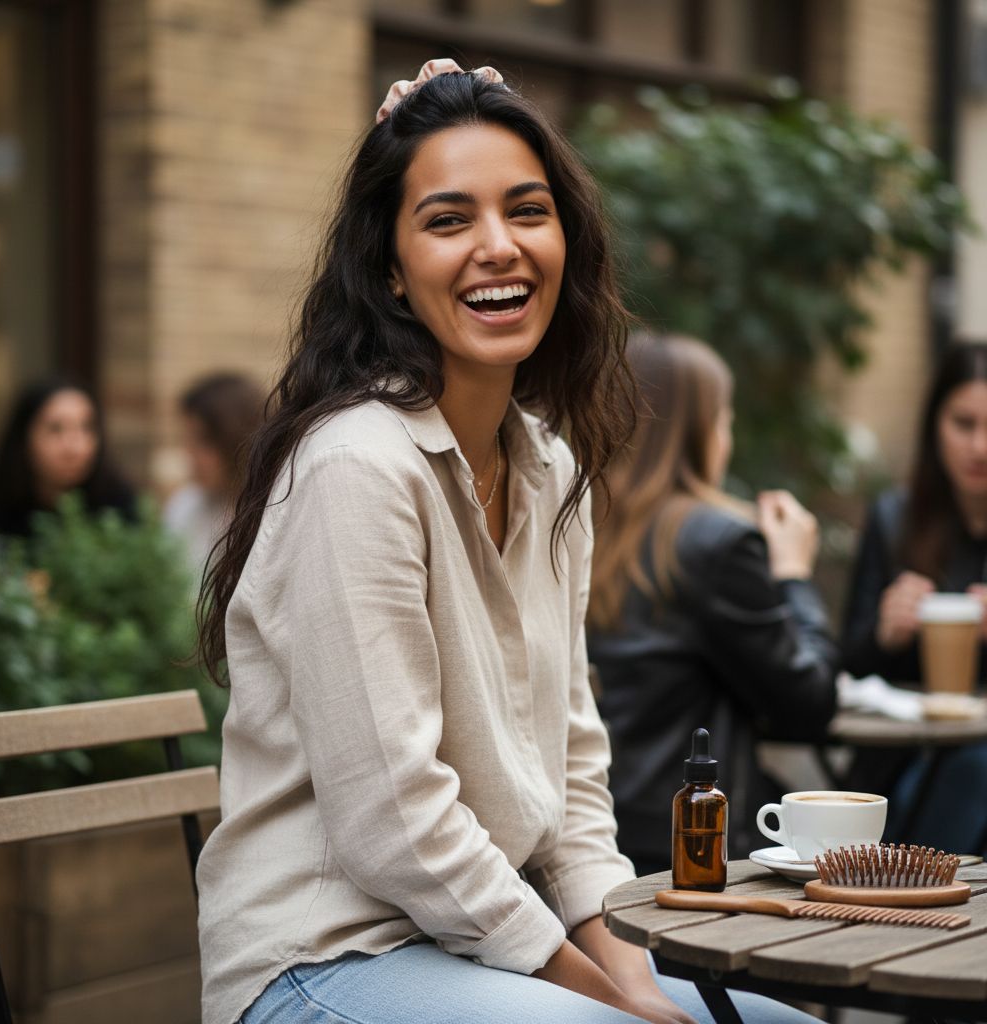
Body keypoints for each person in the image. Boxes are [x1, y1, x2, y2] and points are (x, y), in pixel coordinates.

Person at [194, 62, 819, 1024]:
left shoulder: (548, 466)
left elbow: (573, 771)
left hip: (478, 949)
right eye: (448, 220)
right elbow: (394, 821)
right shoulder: (357, 466)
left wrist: (632, 976)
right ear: (391, 269)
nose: (499, 246)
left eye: (528, 211)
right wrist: (600, 995)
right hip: (323, 957)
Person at [587, 334, 838, 876]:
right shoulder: (716, 542)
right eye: (724, 420)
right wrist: (794, 575)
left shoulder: (574, 523)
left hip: (592, 833)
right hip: (697, 839)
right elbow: (808, 704)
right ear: (699, 432)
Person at [842, 341, 987, 852]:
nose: (979, 447)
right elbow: (846, 667)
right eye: (963, 424)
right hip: (904, 759)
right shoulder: (895, 519)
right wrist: (883, 634)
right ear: (934, 425)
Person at [0, 378, 136, 540]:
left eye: (86, 428)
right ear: (23, 437)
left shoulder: (118, 508)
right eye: (55, 429)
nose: (74, 447)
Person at [163, 372, 265, 580]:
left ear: (239, 441)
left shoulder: (272, 513)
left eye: (203, 441)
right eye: (187, 440)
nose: (190, 454)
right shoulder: (186, 505)